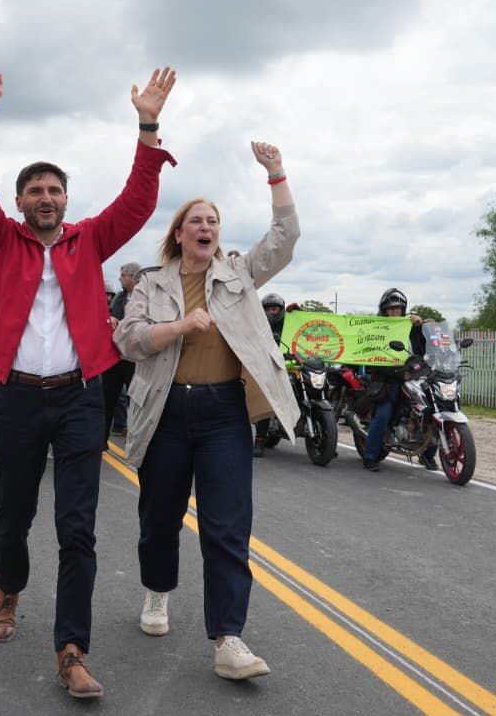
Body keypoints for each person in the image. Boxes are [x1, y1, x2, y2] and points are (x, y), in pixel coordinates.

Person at [0, 48, 177, 699]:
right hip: (19, 398)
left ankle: (72, 648)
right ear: (21, 201)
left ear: (66, 201)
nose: (46, 198)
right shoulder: (2, 238)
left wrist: (147, 127)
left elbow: (138, 201)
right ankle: (8, 588)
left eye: (55, 190)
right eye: (36, 191)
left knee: (77, 528)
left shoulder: (91, 240)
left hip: (81, 398)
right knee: (12, 516)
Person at [113, 140, 299, 681]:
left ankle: (228, 638)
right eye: (196, 220)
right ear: (179, 232)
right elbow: (128, 339)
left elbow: (285, 239)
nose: (206, 227)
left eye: (213, 221)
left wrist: (276, 173)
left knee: (227, 527)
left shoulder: (238, 274)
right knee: (159, 520)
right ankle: (157, 591)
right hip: (165, 411)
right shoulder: (151, 282)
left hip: (223, 413)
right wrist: (179, 326)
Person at [361, 288, 429, 471]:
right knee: (383, 415)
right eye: (391, 309)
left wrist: (420, 326)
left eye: (398, 309)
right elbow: (375, 360)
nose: (395, 312)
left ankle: (428, 455)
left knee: (430, 411)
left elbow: (422, 350)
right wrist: (400, 374)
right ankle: (370, 456)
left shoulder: (409, 328)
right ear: (384, 311)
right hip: (388, 380)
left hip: (414, 378)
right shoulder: (377, 330)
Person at [102, 261, 142, 441]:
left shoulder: (146, 297)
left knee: (136, 402)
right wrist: (109, 318)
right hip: (115, 356)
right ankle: (101, 441)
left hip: (135, 359)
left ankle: (135, 441)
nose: (120, 279)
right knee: (107, 399)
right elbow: (108, 314)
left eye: (123, 275)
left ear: (133, 277)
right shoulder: (119, 297)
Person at [251, 292, 287, 457]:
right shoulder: (258, 324)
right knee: (267, 399)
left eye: (275, 309)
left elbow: (303, 331)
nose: (272, 312)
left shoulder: (288, 323)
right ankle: (259, 439)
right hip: (268, 365)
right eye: (268, 309)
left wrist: (299, 314)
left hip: (289, 363)